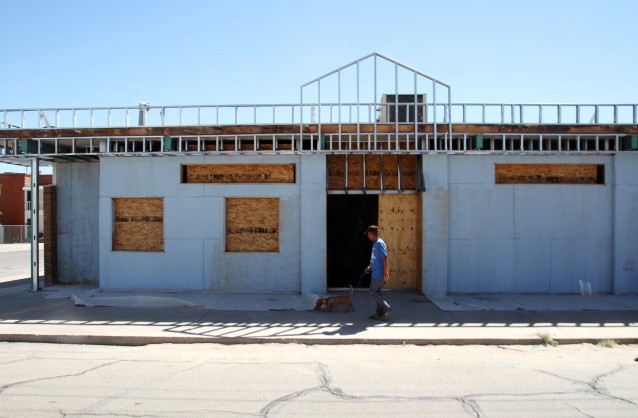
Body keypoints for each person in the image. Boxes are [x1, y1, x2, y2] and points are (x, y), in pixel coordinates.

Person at [364, 225, 391, 320]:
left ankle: (386, 308)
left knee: (373, 292)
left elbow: (384, 257)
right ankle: (379, 313)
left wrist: (386, 272)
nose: (368, 236)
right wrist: (370, 267)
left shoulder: (379, 243)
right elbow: (376, 259)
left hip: (378, 273)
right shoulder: (375, 243)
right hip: (375, 272)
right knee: (377, 292)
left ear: (371, 234)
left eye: (368, 234)